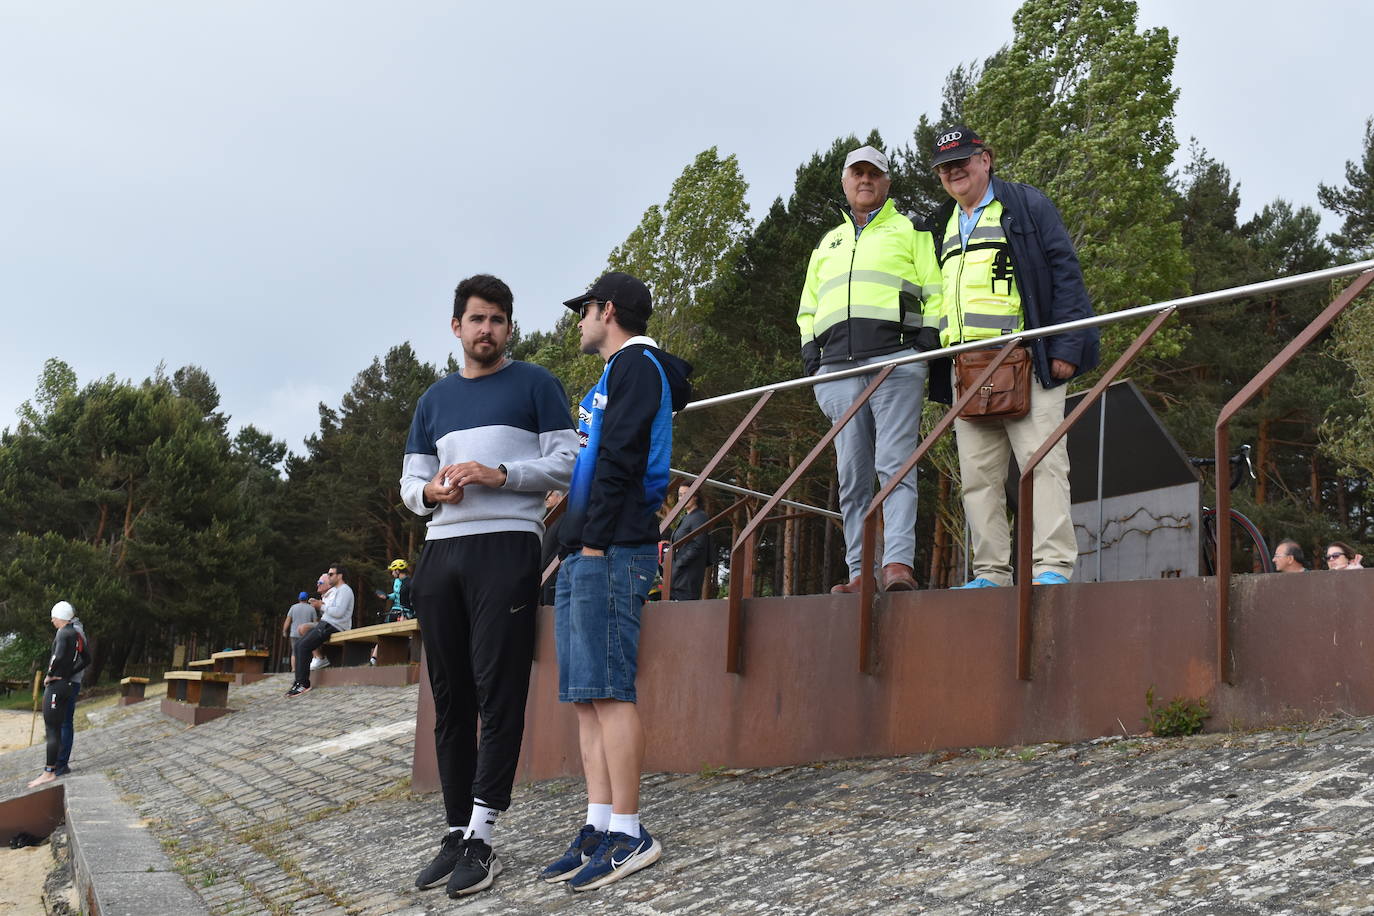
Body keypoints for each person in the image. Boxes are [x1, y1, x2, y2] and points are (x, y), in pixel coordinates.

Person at [401, 273, 577, 898]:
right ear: (456, 326)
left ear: (509, 327)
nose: (488, 329)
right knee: (449, 698)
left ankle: (483, 835)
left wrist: (498, 474)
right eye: (477, 319)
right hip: (441, 552)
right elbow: (409, 486)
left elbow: (568, 460)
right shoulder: (432, 401)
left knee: (497, 689)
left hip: (507, 546)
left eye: (498, 319)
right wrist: (432, 492)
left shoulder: (536, 384)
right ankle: (454, 831)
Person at [542, 271, 692, 892]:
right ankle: (599, 825)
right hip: (585, 549)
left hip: (614, 546)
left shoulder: (637, 366)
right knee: (585, 697)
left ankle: (631, 832)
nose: (578, 321)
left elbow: (623, 457)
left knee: (611, 691)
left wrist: (598, 543)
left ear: (608, 311)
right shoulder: (611, 375)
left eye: (584, 310)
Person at [925, 126, 1099, 589]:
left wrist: (1067, 345)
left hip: (1027, 360)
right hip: (968, 370)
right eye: (945, 166)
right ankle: (991, 575)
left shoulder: (1025, 204)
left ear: (987, 159)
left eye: (962, 160)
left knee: (1044, 464)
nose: (954, 170)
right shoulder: (940, 223)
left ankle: (1052, 568)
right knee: (977, 480)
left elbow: (1065, 270)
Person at [797, 144, 943, 594]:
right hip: (837, 370)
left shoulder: (911, 228)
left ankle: (897, 565)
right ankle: (861, 572)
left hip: (895, 363)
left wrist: (926, 341)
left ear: (887, 183)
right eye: (857, 173)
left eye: (874, 174)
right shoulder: (828, 243)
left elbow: (936, 289)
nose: (865, 180)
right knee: (853, 474)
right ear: (844, 181)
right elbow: (807, 307)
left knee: (894, 463)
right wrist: (810, 352)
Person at [27, 601, 90, 788]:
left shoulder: (67, 632)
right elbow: (87, 657)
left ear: (61, 616)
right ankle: (55, 766)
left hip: (61, 685)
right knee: (60, 725)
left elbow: (58, 656)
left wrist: (51, 675)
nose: (52, 620)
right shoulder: (75, 631)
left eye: (54, 617)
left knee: (56, 727)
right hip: (68, 683)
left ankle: (53, 768)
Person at [286, 564, 354, 696]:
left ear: (340, 576)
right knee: (299, 645)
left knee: (304, 646)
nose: (328, 577)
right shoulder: (337, 590)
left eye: (331, 574)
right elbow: (332, 608)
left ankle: (304, 684)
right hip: (326, 623)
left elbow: (339, 612)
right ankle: (298, 682)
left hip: (334, 626)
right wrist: (321, 604)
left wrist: (320, 606)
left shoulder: (345, 590)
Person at [668, 484, 711, 601]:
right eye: (680, 495)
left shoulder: (699, 517)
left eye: (686, 494)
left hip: (688, 577)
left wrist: (679, 564)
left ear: (695, 496)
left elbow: (698, 545)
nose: (682, 498)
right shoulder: (685, 518)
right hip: (678, 576)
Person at [282, 591, 317, 668]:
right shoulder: (311, 609)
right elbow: (315, 623)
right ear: (307, 599)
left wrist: (284, 631)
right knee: (306, 650)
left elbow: (288, 620)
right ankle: (305, 667)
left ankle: (294, 668)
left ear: (299, 598)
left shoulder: (293, 607)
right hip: (306, 633)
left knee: (294, 652)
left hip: (294, 633)